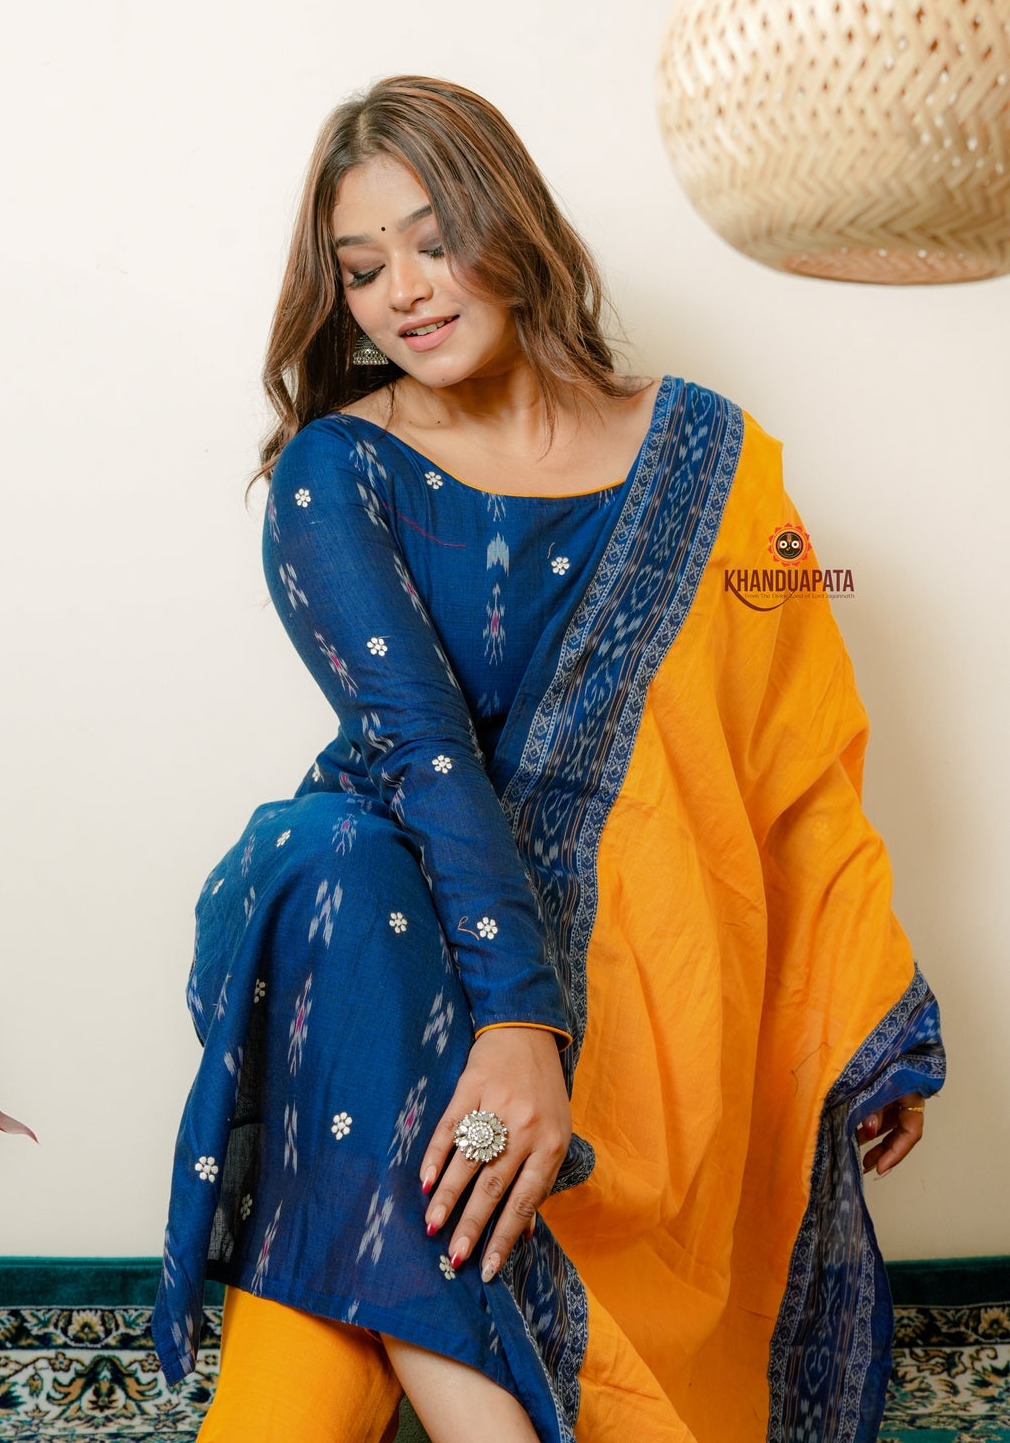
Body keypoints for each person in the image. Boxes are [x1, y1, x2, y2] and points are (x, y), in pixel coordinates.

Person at [151, 75, 945, 1443]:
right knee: (325, 854)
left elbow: (797, 747)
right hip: (386, 925)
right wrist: (521, 1029)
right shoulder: (336, 472)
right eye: (361, 269)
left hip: (641, 978)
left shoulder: (713, 457)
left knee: (356, 1140)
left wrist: (873, 1001)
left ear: (509, 224)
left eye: (432, 240)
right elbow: (421, 751)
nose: (402, 291)